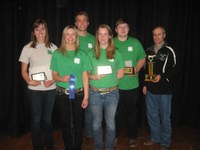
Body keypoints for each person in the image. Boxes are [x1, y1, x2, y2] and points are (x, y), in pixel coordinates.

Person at [50, 25, 91, 150]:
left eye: (73, 34)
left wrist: (86, 97)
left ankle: (77, 147)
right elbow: (54, 75)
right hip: (62, 94)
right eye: (67, 34)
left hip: (78, 94)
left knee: (78, 124)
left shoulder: (82, 54)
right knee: (66, 124)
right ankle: (68, 147)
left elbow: (85, 77)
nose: (70, 37)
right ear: (64, 36)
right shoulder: (57, 54)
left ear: (76, 36)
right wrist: (61, 79)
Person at [18, 19, 57, 150]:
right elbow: (23, 71)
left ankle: (50, 146)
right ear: (33, 32)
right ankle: (38, 147)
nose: (40, 32)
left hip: (50, 88)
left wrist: (53, 80)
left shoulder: (53, 47)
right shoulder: (27, 48)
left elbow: (58, 70)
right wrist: (29, 81)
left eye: (43, 28)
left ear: (46, 30)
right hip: (34, 90)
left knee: (47, 119)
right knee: (35, 120)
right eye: (37, 29)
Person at [88, 24, 124, 150]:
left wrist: (110, 79)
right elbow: (85, 74)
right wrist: (94, 77)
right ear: (97, 36)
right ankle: (98, 147)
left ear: (110, 36)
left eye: (105, 34)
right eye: (100, 34)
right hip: (95, 93)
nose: (102, 37)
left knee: (110, 124)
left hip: (112, 94)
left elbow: (121, 73)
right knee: (96, 124)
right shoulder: (90, 53)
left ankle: (109, 148)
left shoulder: (116, 53)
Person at [143, 26, 177, 150]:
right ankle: (155, 138)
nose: (157, 37)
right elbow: (147, 69)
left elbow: (176, 69)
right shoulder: (149, 50)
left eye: (159, 34)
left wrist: (162, 76)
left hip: (165, 91)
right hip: (151, 89)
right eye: (154, 34)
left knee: (165, 116)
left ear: (164, 35)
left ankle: (165, 142)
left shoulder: (170, 50)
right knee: (152, 115)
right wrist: (145, 85)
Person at [114, 18, 146, 148]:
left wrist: (137, 69)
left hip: (132, 86)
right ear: (115, 30)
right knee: (115, 114)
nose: (122, 29)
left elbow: (142, 58)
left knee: (131, 114)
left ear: (128, 29)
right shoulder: (110, 42)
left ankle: (132, 137)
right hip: (114, 86)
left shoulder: (135, 42)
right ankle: (114, 136)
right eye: (120, 27)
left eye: (125, 26)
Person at [74, 10, 95, 141]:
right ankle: (74, 135)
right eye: (79, 20)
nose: (82, 23)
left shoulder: (93, 39)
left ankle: (89, 135)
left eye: (84, 20)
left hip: (90, 80)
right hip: (73, 80)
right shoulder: (69, 36)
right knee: (73, 111)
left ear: (88, 23)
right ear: (75, 23)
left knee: (89, 110)